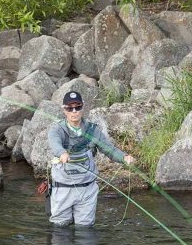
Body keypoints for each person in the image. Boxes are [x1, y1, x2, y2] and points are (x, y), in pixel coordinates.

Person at [47, 91, 135, 227]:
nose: (74, 111)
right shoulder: (57, 130)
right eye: (70, 108)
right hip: (63, 189)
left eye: (78, 107)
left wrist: (124, 157)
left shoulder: (93, 131)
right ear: (64, 110)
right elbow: (55, 143)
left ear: (83, 108)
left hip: (87, 189)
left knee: (85, 229)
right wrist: (62, 153)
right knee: (60, 229)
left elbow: (109, 149)